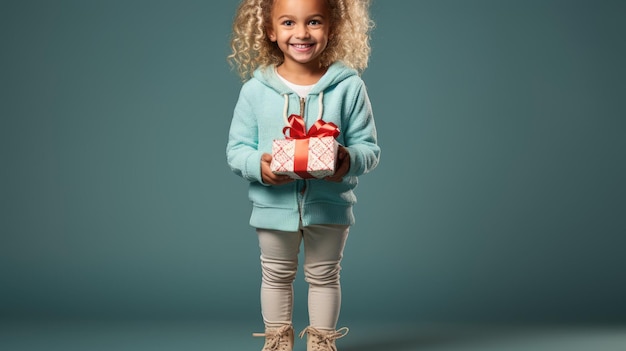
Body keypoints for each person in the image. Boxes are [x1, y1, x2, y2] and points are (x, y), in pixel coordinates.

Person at [226, 0, 379, 350]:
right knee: (276, 276)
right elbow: (236, 151)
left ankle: (322, 343)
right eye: (288, 23)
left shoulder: (349, 87)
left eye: (313, 22)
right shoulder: (255, 90)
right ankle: (278, 342)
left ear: (332, 27)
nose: (301, 33)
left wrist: (346, 159)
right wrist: (260, 168)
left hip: (330, 205)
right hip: (272, 207)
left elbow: (369, 149)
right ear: (270, 30)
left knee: (324, 276)